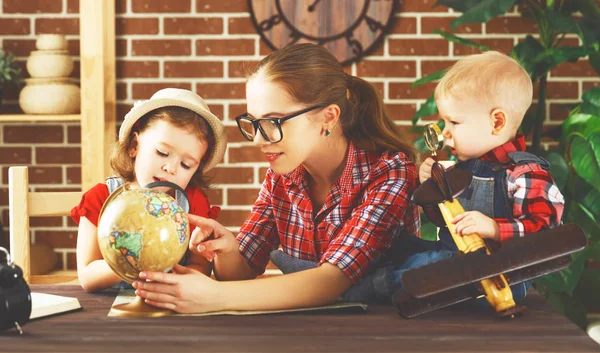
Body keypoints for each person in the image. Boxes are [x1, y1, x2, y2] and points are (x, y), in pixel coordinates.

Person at [132, 43, 451, 314]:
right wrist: (228, 251)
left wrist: (209, 297)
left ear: (328, 117)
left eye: (272, 122)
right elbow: (240, 273)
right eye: (253, 123)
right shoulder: (282, 177)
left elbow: (332, 281)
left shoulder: (389, 172)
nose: (258, 139)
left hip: (383, 333)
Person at [418, 51, 565, 300]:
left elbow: (546, 235)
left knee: (419, 265)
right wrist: (433, 190)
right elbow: (445, 222)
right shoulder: (460, 169)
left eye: (454, 122)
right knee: (406, 248)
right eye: (444, 123)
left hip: (498, 280)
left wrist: (495, 229)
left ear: (497, 122)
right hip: (456, 261)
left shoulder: (524, 175)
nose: (445, 134)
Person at [71, 88, 227, 292]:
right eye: (162, 153)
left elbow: (200, 266)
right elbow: (87, 275)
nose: (170, 168)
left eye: (186, 165)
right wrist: (138, 262)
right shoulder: (101, 198)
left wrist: (182, 278)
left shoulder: (193, 203)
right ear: (134, 145)